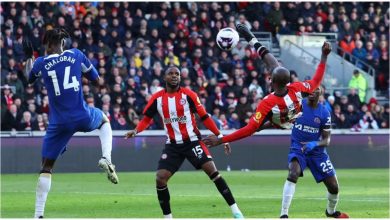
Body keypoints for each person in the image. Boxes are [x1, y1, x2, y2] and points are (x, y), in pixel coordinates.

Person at [124, 66, 243, 218]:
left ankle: (236, 211)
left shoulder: (189, 95)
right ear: (164, 77)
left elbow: (205, 117)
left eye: (177, 74)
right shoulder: (157, 98)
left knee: (213, 172)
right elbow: (147, 118)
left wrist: (220, 136)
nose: (174, 76)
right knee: (160, 178)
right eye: (171, 74)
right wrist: (136, 131)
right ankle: (168, 218)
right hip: (173, 145)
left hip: (192, 141)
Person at [23, 28, 118, 218]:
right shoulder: (76, 55)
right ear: (63, 43)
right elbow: (96, 80)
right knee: (104, 120)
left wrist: (28, 58)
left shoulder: (41, 63)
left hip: (59, 123)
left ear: (46, 44)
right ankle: (106, 158)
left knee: (46, 168)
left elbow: (29, 79)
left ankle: (38, 215)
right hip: (81, 114)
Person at [203, 24, 331, 146]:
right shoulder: (296, 89)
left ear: (271, 81)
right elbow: (316, 81)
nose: (269, 76)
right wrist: (324, 56)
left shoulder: (267, 103)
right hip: (291, 114)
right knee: (275, 66)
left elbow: (248, 130)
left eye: (270, 76)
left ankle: (251, 39)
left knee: (257, 126)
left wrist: (221, 140)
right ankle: (252, 39)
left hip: (281, 121)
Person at [276, 86, 349, 218]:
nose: (311, 92)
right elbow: (282, 120)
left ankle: (330, 212)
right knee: (293, 173)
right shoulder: (297, 105)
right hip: (298, 148)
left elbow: (327, 140)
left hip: (317, 153)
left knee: (334, 187)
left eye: (315, 90)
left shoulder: (324, 113)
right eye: (309, 90)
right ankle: (284, 214)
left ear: (320, 93)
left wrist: (315, 143)